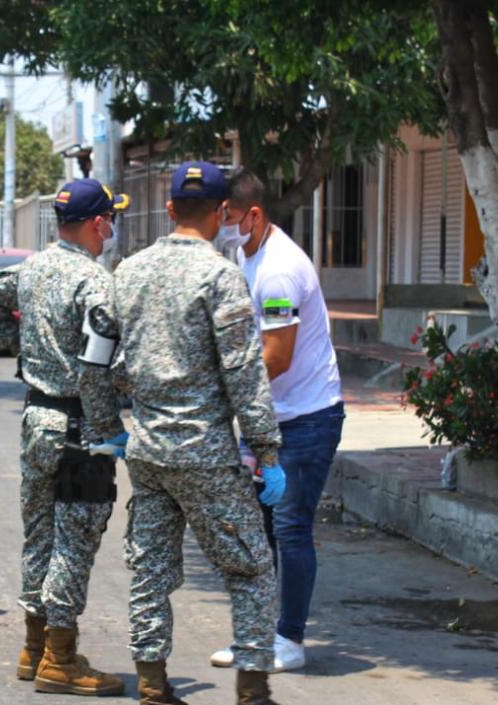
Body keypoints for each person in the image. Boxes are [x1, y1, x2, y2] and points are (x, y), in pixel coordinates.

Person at [106, 161, 286, 705]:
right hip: (205, 454)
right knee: (251, 569)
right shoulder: (221, 275)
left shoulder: (128, 272)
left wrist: (113, 424)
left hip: (149, 450)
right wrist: (267, 451)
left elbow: (103, 363)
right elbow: (245, 373)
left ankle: (153, 684)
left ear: (167, 211)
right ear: (223, 213)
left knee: (150, 571)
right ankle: (253, 691)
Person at [0, 178, 131, 696]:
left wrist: (26, 352)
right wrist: (111, 432)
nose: (111, 228)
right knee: (75, 542)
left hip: (37, 420)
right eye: (110, 219)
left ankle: (33, 648)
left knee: (40, 535)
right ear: (98, 223)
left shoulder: (32, 267)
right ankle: (60, 659)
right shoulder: (95, 282)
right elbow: (94, 369)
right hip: (79, 427)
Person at [208, 170, 345, 673]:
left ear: (254, 215)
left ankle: (289, 639)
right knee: (255, 530)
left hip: (307, 419)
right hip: (268, 418)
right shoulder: (243, 255)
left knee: (290, 528)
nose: (224, 227)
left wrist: (217, 392)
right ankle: (256, 635)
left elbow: (277, 357)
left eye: (229, 219)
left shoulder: (281, 269)